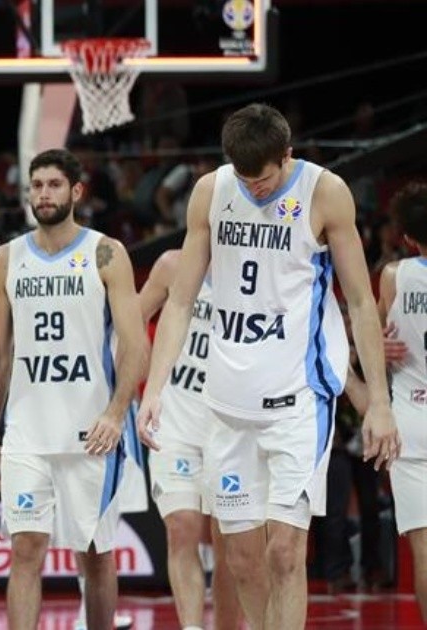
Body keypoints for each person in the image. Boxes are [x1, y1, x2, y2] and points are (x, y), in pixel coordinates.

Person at [138, 103, 399, 630]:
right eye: (244, 178)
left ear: (287, 155)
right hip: (227, 404)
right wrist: (155, 390)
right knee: (241, 559)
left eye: (263, 179)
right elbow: (181, 301)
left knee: (283, 552)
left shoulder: (325, 193)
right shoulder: (212, 191)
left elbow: (359, 301)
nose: (254, 189)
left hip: (297, 402)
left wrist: (379, 403)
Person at [0, 148, 147, 630]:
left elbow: (135, 344)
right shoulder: (7, 258)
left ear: (76, 191)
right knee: (25, 550)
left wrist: (115, 413)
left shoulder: (106, 252)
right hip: (27, 433)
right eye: (37, 185)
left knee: (94, 554)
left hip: (91, 432)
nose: (44, 194)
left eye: (54, 185)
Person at [136, 249, 241, 630]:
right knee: (182, 526)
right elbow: (132, 318)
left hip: (229, 425)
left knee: (229, 543)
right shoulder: (172, 265)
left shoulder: (253, 269)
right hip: (175, 418)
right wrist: (141, 372)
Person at [378, 181, 427, 623]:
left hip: (411, 419)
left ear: (408, 237)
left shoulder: (394, 277)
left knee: (424, 548)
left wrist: (377, 347)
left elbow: (372, 344)